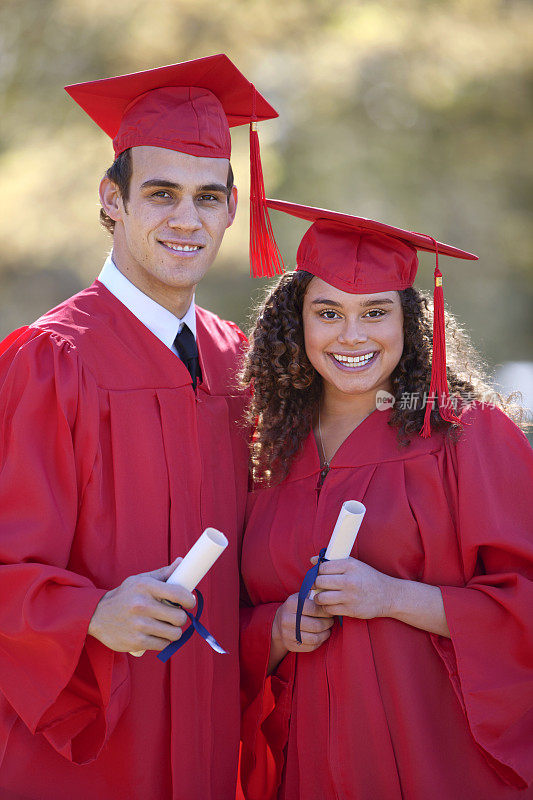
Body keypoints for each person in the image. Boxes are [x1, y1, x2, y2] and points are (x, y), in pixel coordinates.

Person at [0, 55, 282, 800]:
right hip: (91, 743)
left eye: (207, 197)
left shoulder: (241, 363)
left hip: (214, 734)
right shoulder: (51, 361)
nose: (186, 219)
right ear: (112, 200)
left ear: (229, 209)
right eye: (161, 194)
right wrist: (89, 612)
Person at [239, 200, 533, 800]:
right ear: (297, 323)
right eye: (328, 312)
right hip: (307, 768)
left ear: (410, 323)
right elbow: (233, 612)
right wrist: (273, 630)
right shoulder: (266, 452)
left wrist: (392, 597)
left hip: (440, 766)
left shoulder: (466, 435)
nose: (353, 335)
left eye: (375, 312)